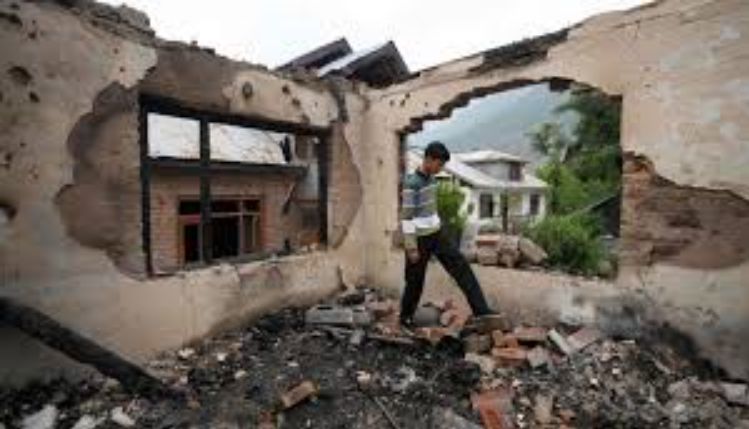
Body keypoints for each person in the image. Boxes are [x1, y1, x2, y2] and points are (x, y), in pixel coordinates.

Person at [399, 141, 494, 328]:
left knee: (462, 268)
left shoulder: (432, 180)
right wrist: (411, 247)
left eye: (442, 165)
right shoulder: (412, 184)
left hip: (437, 234)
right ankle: (405, 318)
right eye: (439, 164)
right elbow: (407, 217)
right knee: (414, 281)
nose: (440, 168)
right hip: (419, 240)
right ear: (428, 159)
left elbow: (430, 209)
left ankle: (481, 310)